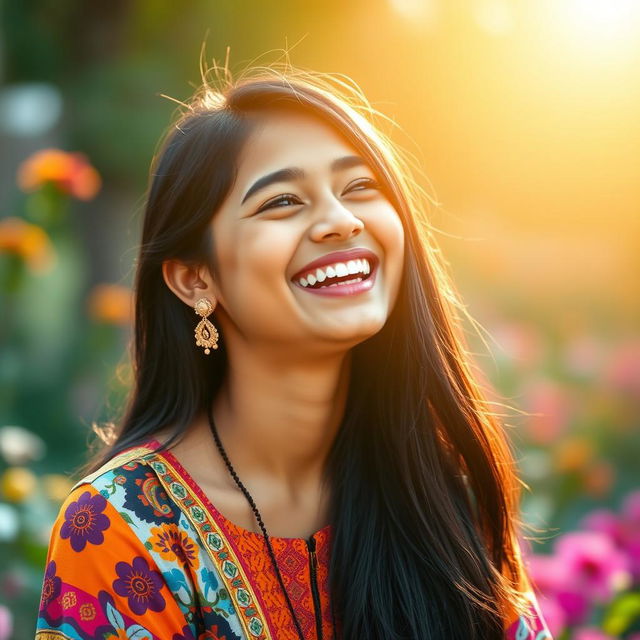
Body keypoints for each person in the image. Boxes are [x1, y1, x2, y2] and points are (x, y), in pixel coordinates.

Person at [35, 63, 553, 640]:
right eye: (282, 201)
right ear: (194, 279)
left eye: (359, 186)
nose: (340, 220)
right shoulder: (121, 529)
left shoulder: (436, 491)